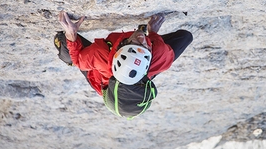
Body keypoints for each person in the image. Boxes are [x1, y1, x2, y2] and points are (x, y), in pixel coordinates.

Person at [57, 11, 193, 118]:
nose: (141, 38)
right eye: (144, 46)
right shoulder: (159, 56)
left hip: (104, 78)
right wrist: (152, 35)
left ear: (123, 44)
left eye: (137, 43)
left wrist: (71, 34)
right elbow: (184, 38)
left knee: (62, 40)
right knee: (185, 38)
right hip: (146, 64)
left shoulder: (100, 56)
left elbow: (78, 61)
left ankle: (65, 52)